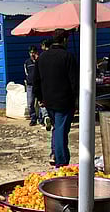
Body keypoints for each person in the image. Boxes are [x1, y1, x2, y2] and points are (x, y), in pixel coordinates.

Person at [33, 29, 78, 167]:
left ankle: (54, 154)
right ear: (64, 40)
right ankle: (61, 161)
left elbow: (36, 81)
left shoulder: (42, 58)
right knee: (61, 131)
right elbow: (74, 81)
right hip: (64, 101)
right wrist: (77, 100)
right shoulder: (67, 56)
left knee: (57, 128)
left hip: (48, 101)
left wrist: (40, 98)